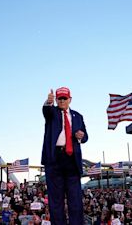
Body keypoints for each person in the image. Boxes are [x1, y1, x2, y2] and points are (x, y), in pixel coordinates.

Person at [42, 87, 88, 225]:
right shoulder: (52, 112)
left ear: (70, 100)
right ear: (56, 100)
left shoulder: (78, 116)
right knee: (56, 200)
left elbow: (85, 137)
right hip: (55, 159)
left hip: (72, 160)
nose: (62, 101)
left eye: (64, 98)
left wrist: (81, 136)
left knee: (75, 199)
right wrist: (48, 102)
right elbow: (46, 111)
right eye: (59, 98)